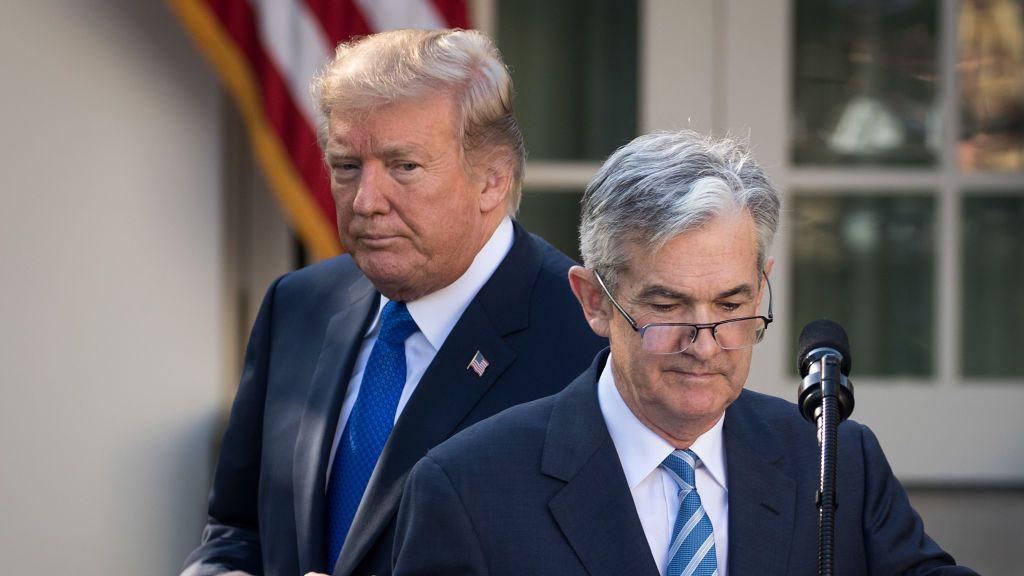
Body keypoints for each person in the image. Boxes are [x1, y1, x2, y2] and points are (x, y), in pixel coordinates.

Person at [392, 131, 977, 576]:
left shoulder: (835, 459)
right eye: (667, 307)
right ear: (594, 301)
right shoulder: (467, 489)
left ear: (763, 283)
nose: (704, 343)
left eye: (730, 304)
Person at [181, 29, 605, 576]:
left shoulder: (587, 339)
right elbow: (237, 531)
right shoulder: (298, 306)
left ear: (492, 180)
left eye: (404, 166)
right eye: (346, 166)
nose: (365, 201)